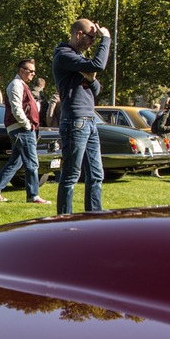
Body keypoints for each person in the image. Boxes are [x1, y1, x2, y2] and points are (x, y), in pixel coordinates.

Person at [52, 17, 111, 214]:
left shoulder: (78, 59)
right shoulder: (64, 55)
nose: (93, 42)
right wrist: (106, 39)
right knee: (70, 175)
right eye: (91, 38)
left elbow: (96, 87)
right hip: (75, 120)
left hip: (89, 119)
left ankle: (94, 217)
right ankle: (64, 219)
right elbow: (99, 65)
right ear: (79, 34)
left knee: (96, 174)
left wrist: (91, 77)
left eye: (96, 39)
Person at [0, 58, 48, 204]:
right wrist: (27, 124)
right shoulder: (16, 85)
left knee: (15, 161)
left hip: (21, 128)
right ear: (21, 70)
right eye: (31, 71)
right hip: (21, 129)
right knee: (32, 163)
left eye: (34, 71)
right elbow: (16, 108)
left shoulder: (21, 85)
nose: (33, 74)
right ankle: (33, 195)